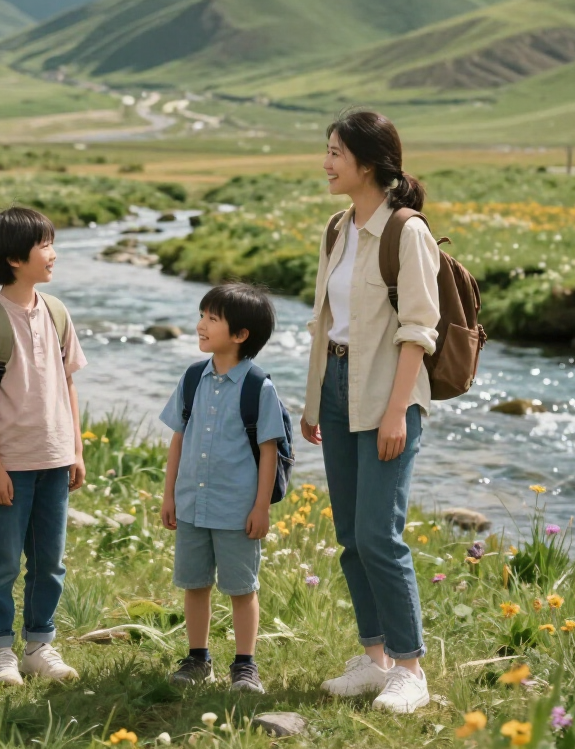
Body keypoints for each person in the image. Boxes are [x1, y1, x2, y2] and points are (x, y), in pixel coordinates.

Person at [300, 109, 440, 714]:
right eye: (327, 150)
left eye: (336, 152)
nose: (326, 162)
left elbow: (419, 330)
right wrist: (313, 401)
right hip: (336, 385)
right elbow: (326, 321)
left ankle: (410, 670)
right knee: (351, 537)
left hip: (389, 391)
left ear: (369, 163)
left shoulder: (407, 232)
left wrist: (395, 411)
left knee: (380, 535)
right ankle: (375, 658)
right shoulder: (336, 228)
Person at [0, 207, 87, 687]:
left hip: (55, 460)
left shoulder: (57, 313)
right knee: (2, 560)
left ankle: (39, 644)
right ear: (15, 259)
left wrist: (75, 448)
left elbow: (70, 384)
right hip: (9, 465)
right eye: (44, 245)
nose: (53, 253)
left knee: (50, 561)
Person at [160, 282, 283, 694]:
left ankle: (245, 665)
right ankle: (198, 658)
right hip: (193, 504)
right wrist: (169, 495)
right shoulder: (193, 377)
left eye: (212, 319)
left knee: (241, 588)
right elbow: (178, 439)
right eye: (202, 315)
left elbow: (269, 452)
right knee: (194, 584)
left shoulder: (258, 387)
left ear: (240, 335)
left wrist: (261, 507)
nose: (200, 325)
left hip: (237, 509)